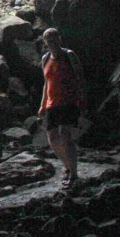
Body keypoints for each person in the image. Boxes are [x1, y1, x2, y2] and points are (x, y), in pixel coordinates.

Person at [38, 28, 87, 188]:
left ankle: (74, 174)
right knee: (52, 138)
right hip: (53, 103)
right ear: (45, 42)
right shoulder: (45, 58)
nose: (51, 41)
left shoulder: (69, 55)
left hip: (68, 101)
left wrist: (82, 100)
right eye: (48, 38)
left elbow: (80, 77)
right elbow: (46, 83)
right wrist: (42, 104)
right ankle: (68, 167)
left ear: (59, 38)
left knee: (65, 135)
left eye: (54, 37)